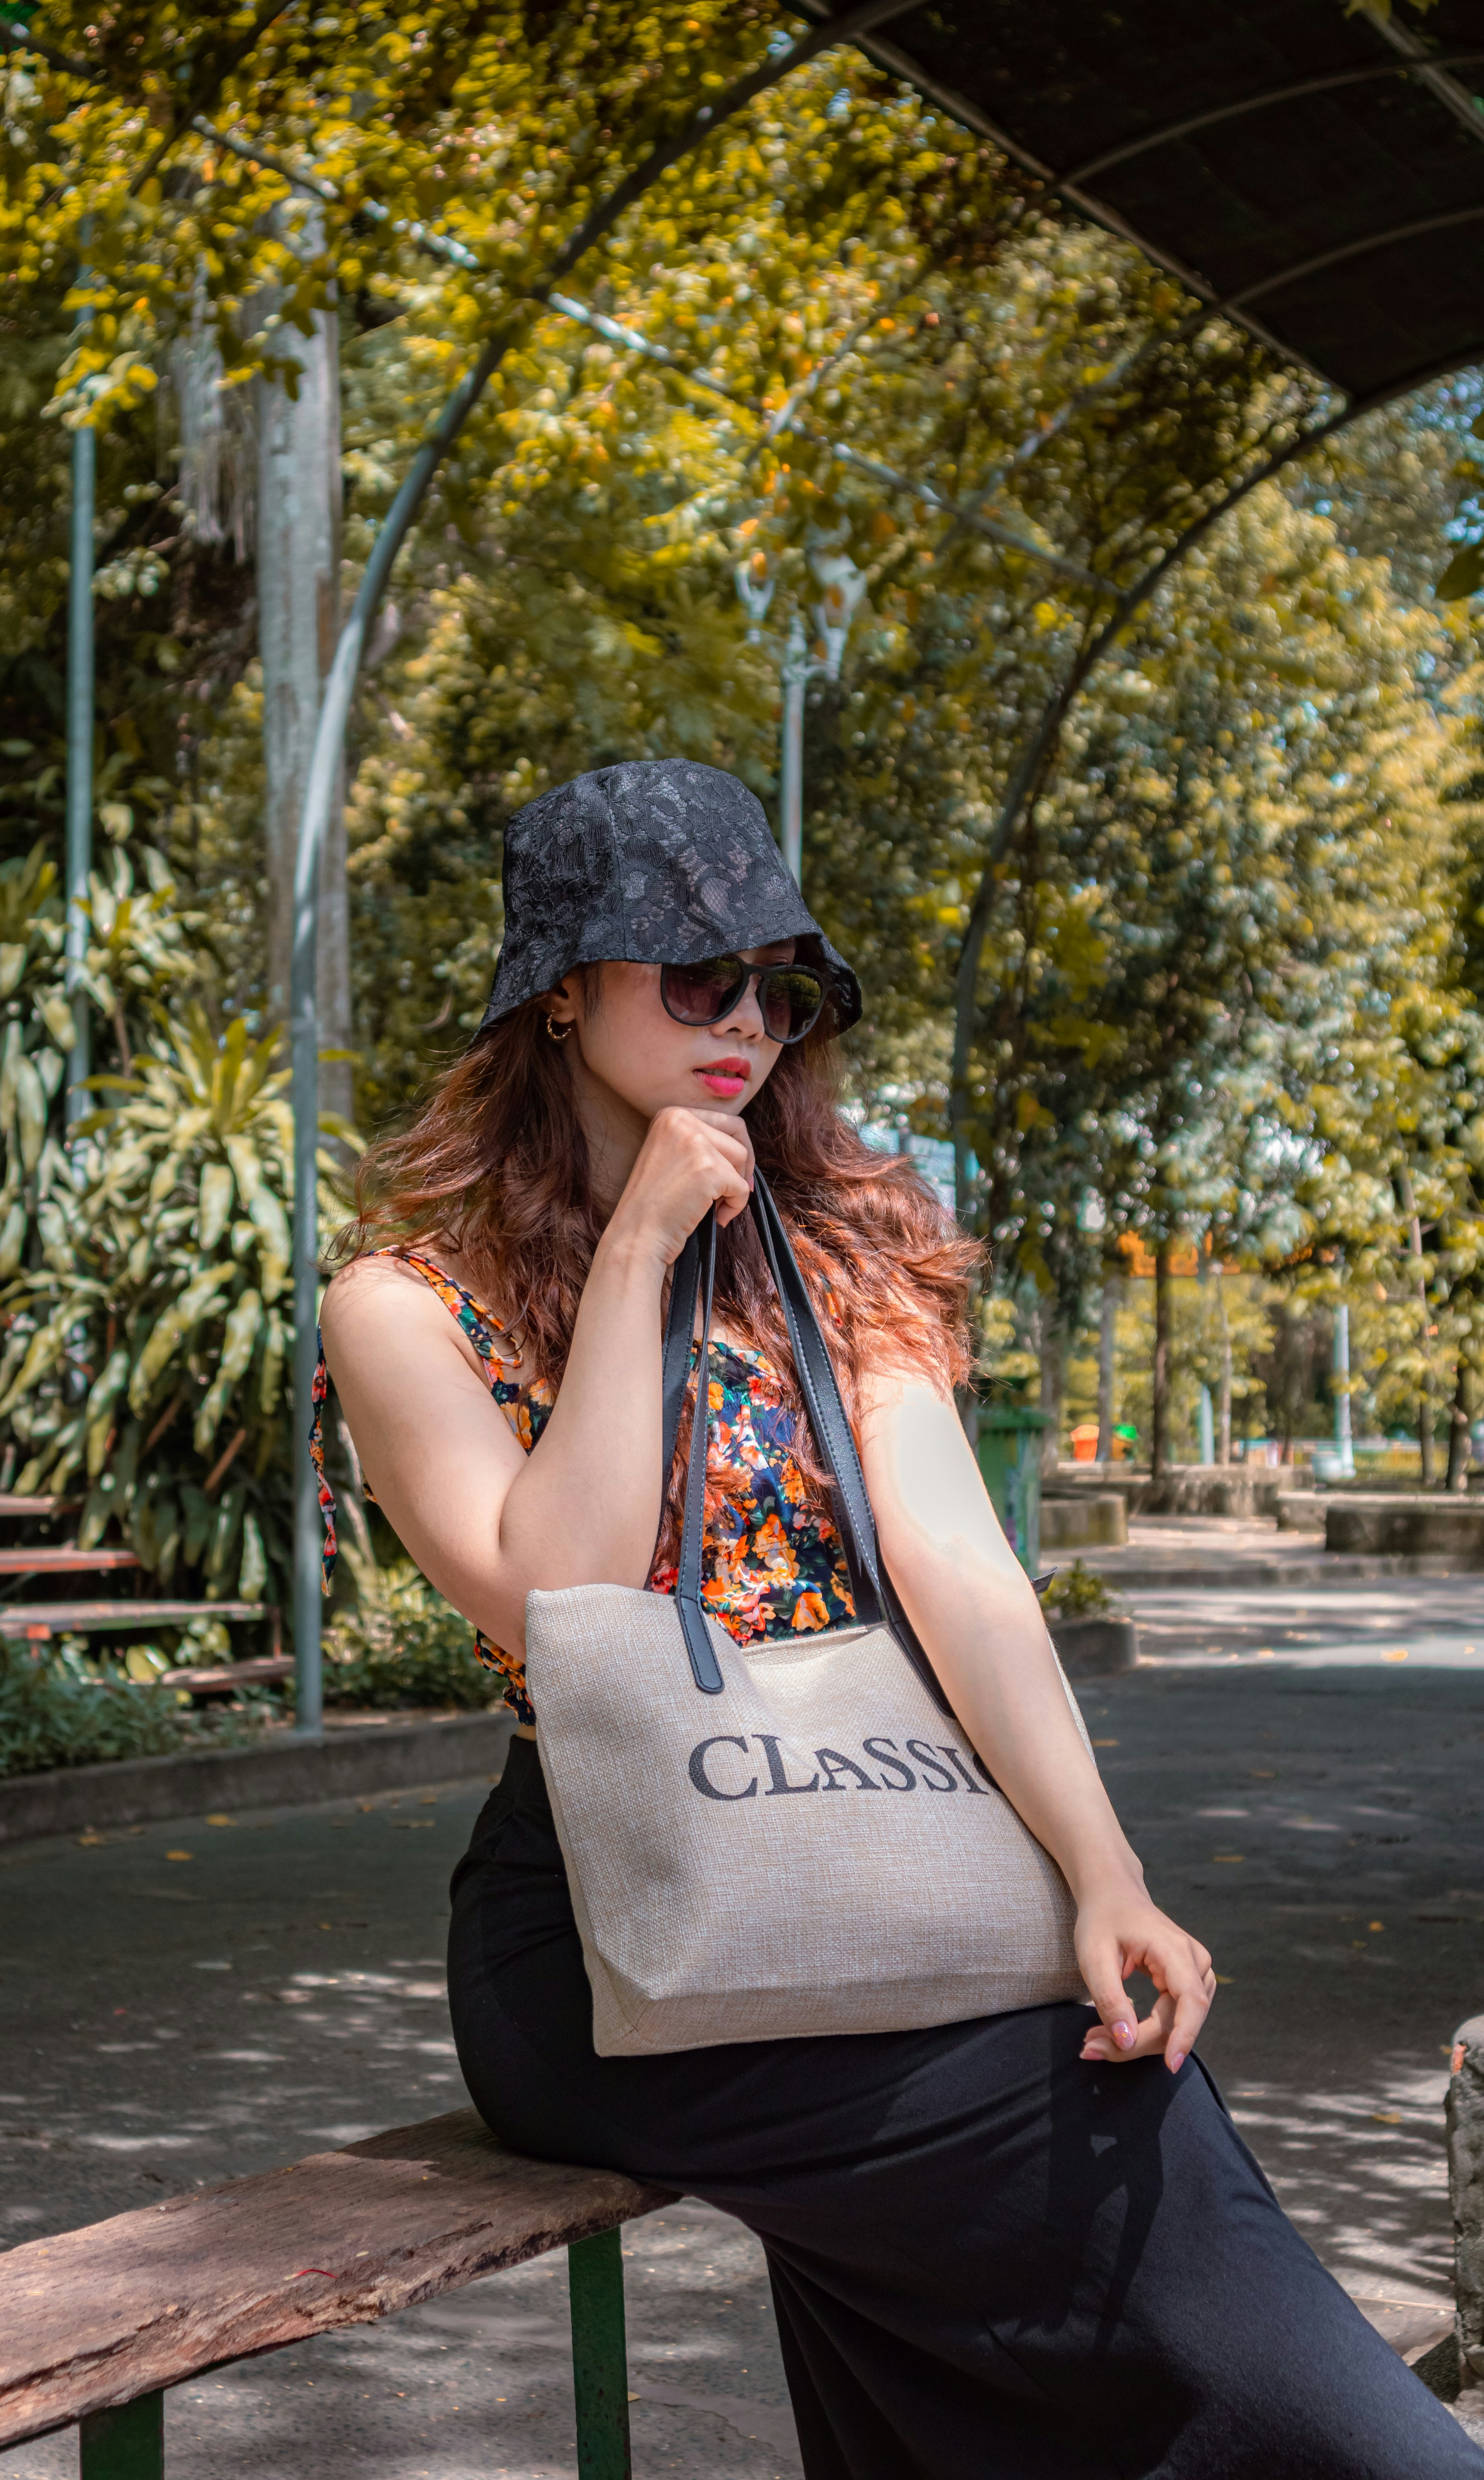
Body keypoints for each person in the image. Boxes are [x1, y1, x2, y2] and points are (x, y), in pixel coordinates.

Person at [319, 759, 1478, 2478]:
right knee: (1073, 2110)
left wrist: (1102, 1873)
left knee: (1093, 2072)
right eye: (693, 977)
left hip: (863, 1857)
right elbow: (556, 1589)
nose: (746, 1026)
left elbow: (958, 1571)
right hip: (600, 1941)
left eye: (776, 991)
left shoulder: (838, 1255)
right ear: (561, 994)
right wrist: (639, 1256)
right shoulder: (400, 1303)